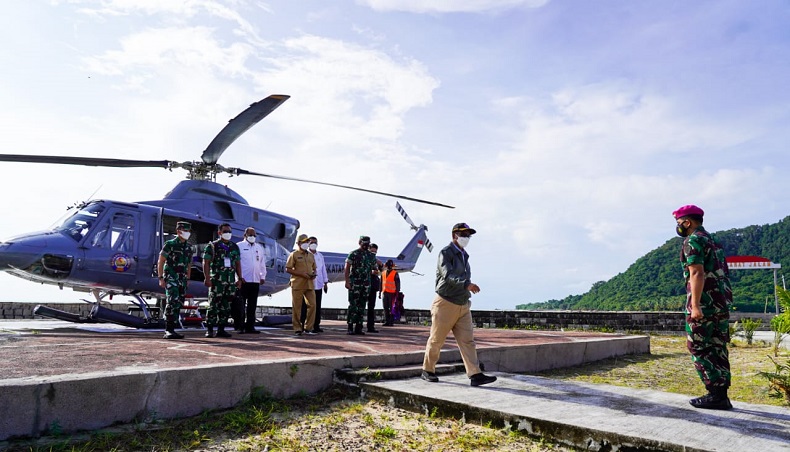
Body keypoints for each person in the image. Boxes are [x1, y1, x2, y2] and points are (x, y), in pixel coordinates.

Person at [421, 223, 497, 387]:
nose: (466, 237)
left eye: (468, 235)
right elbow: (447, 274)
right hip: (446, 303)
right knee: (436, 340)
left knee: (468, 341)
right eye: (463, 234)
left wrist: (466, 289)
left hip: (462, 304)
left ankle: (475, 374)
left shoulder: (464, 255)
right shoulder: (445, 252)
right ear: (454, 236)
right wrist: (466, 284)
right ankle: (428, 370)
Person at [673, 204, 733, 410]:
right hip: (720, 303)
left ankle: (714, 394)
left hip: (704, 304)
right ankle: (721, 394)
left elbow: (696, 272)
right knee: (717, 347)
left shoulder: (693, 240)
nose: (678, 227)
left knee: (697, 346)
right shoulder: (713, 241)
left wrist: (695, 306)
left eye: (679, 223)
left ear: (687, 222)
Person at [202, 223, 243, 338]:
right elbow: (206, 262)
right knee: (213, 305)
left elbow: (238, 263)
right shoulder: (213, 246)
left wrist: (240, 278)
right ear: (219, 233)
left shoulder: (234, 247)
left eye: (229, 231)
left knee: (226, 306)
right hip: (216, 281)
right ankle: (209, 329)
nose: (228, 233)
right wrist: (207, 277)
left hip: (230, 282)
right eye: (225, 231)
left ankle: (221, 329)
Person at [157, 221, 194, 340]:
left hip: (182, 279)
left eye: (189, 231)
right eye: (186, 231)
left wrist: (188, 278)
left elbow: (189, 264)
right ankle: (168, 329)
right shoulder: (170, 244)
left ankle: (173, 328)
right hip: (171, 277)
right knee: (172, 301)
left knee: (179, 302)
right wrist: (161, 277)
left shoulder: (188, 247)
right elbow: (161, 261)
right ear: (178, 231)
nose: (188, 233)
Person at [236, 227, 267, 334]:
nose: (252, 237)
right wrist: (238, 278)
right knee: (241, 305)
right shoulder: (239, 246)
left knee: (252, 305)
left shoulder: (259, 247)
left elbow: (262, 263)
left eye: (254, 235)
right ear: (245, 235)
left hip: (255, 280)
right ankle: (240, 326)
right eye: (250, 235)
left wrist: (262, 276)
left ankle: (250, 326)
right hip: (243, 280)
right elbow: (236, 263)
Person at [344, 235, 376, 335]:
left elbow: (375, 267)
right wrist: (347, 281)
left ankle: (359, 327)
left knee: (362, 306)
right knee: (353, 305)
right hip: (355, 283)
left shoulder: (371, 256)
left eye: (367, 244)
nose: (365, 245)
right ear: (359, 242)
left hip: (366, 284)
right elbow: (347, 268)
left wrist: (376, 270)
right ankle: (350, 326)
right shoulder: (353, 254)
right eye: (364, 243)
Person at [286, 233, 317, 336]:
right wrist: (301, 274)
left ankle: (308, 328)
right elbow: (288, 269)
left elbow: (314, 268)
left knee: (312, 305)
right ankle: (297, 328)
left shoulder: (311, 255)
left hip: (309, 283)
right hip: (298, 283)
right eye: (304, 242)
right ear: (299, 243)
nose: (306, 244)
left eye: (307, 242)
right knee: (297, 307)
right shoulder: (294, 254)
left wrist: (314, 274)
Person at [301, 236, 328, 333]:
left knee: (317, 306)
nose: (313, 244)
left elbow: (323, 270)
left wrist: (325, 282)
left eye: (315, 242)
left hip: (318, 284)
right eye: (311, 242)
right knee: (305, 306)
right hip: (307, 284)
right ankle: (303, 325)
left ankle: (316, 325)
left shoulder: (320, 256)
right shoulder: (304, 255)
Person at [366, 243, 383, 333]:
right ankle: (358, 326)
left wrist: (380, 265)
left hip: (373, 285)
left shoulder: (376, 260)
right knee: (360, 306)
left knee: (371, 307)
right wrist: (371, 272)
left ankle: (370, 326)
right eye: (372, 251)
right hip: (364, 285)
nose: (373, 253)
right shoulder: (364, 258)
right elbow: (360, 269)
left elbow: (381, 270)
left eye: (375, 252)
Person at [380, 259, 400, 327]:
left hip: (392, 293)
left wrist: (397, 293)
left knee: (392, 308)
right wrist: (380, 292)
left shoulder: (395, 273)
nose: (389, 267)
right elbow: (381, 283)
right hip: (385, 292)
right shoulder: (383, 273)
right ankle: (387, 321)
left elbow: (397, 283)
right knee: (385, 307)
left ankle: (391, 321)